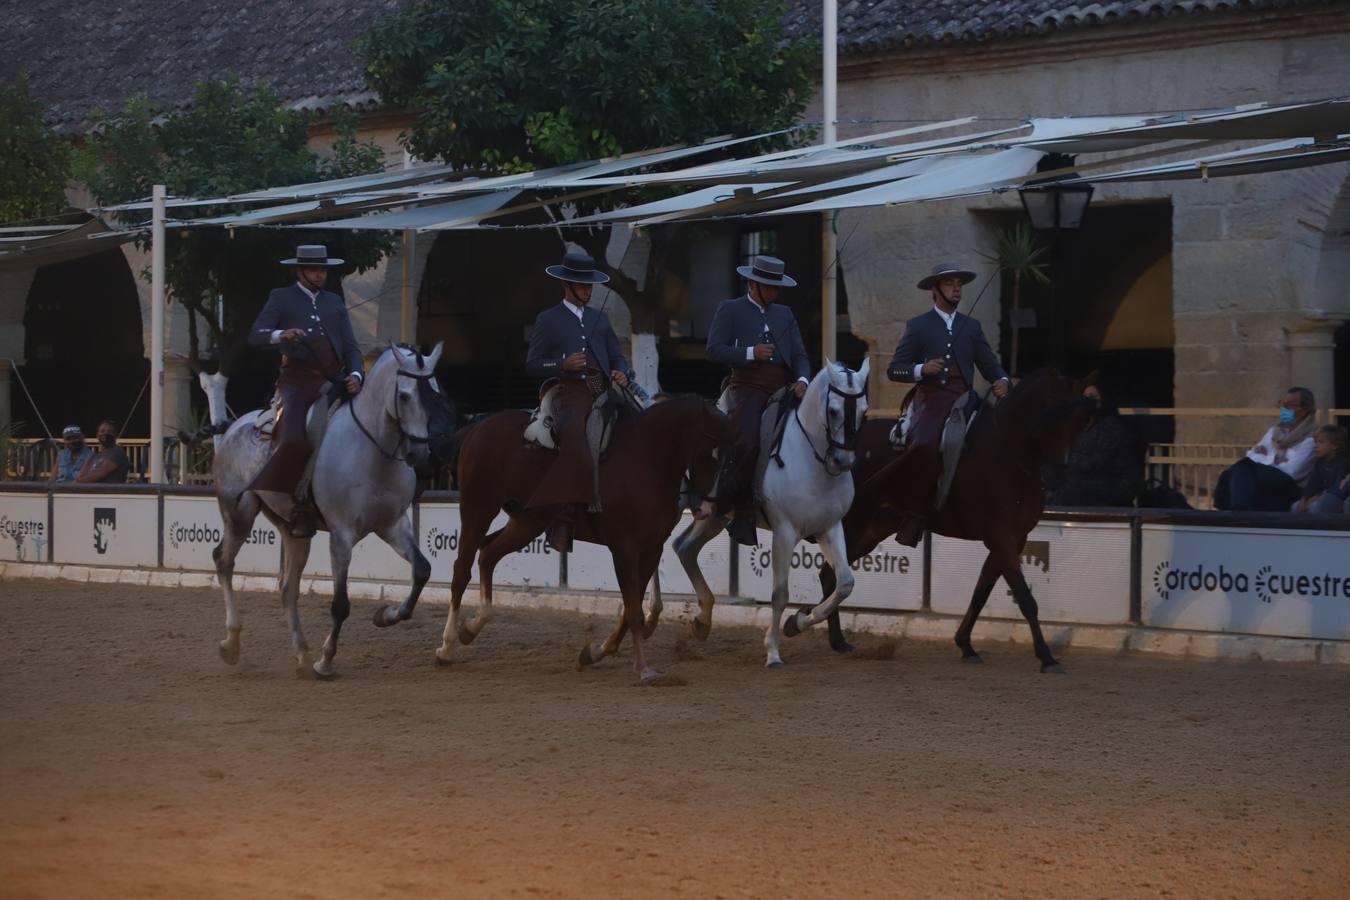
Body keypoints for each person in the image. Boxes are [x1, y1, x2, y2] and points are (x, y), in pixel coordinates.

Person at [885, 261, 1010, 543]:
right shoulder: (918, 326)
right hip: (932, 399)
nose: (956, 289)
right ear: (935, 290)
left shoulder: (972, 326)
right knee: (926, 444)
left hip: (965, 399)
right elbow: (895, 369)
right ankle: (914, 514)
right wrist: (921, 370)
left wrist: (1002, 380)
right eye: (950, 284)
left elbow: (990, 365)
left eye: (959, 284)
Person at [247, 245, 364, 537]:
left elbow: (350, 346)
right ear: (299, 271)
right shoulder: (281, 297)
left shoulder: (335, 301)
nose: (320, 274)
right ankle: (298, 503)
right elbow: (255, 335)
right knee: (294, 438)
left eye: (323, 269)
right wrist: (280, 335)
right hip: (298, 382)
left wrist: (357, 374)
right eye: (313, 269)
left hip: (334, 380)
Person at [524, 250, 633, 552]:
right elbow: (532, 364)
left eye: (590, 285)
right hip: (569, 394)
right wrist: (562, 364)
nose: (587, 290)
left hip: (605, 392)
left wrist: (622, 372)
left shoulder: (601, 319)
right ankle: (561, 517)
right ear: (566, 285)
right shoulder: (548, 319)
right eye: (582, 285)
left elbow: (618, 356)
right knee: (575, 441)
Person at [703, 254, 810, 545]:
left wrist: (802, 380)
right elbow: (713, 350)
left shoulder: (785, 313)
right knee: (748, 441)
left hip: (785, 388)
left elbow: (799, 354)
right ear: (753, 284)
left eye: (777, 288)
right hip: (747, 387)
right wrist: (750, 353)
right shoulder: (730, 309)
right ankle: (741, 509)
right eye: (768, 286)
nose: (774, 293)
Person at [1215, 387, 1317, 512]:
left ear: (1304, 409)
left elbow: (1293, 471)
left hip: (1290, 485)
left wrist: (1264, 458)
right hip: (1267, 479)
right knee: (1232, 472)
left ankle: (1239, 513)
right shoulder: (1276, 431)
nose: (1283, 409)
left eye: (1289, 405)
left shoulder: (1311, 438)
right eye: (1281, 404)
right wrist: (1275, 460)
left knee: (1244, 467)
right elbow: (1251, 454)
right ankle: (1225, 512)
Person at [1044, 384, 1144, 507]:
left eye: (1092, 397)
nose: (1086, 402)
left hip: (1110, 493)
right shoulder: (1085, 427)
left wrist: (1066, 459)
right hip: (1089, 490)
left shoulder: (1112, 427)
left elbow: (1094, 462)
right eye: (1085, 397)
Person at [1291, 424, 1349, 514]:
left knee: (1316, 507)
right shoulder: (1319, 462)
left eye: (1321, 442)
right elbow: (1312, 484)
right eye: (1315, 442)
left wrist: (1315, 498)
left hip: (1335, 497)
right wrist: (1304, 499)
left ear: (1335, 446)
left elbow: (1338, 488)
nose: (1316, 446)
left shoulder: (1343, 463)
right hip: (1318, 497)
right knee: (1295, 506)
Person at [75, 419, 130, 484]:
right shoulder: (94, 456)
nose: (105, 433)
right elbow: (80, 476)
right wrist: (79, 480)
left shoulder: (118, 452)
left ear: (115, 435)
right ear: (97, 435)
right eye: (102, 431)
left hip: (109, 492)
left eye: (109, 431)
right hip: (91, 491)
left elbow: (100, 474)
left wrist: (79, 481)